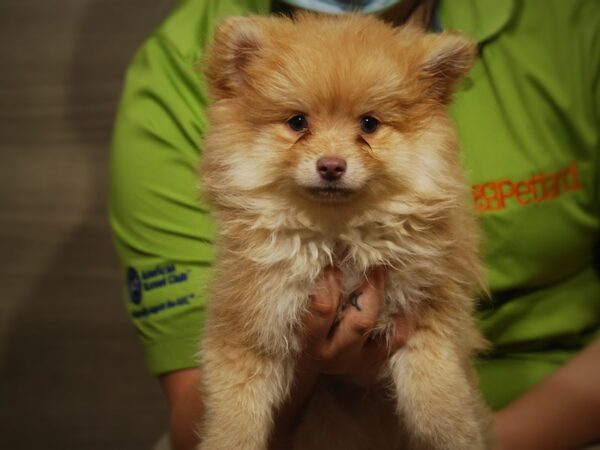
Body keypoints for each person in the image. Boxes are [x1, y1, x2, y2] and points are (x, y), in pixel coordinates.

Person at [109, 0, 600, 449]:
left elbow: (437, 341)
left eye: (368, 126)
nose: (331, 159)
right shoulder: (187, 54)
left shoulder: (567, 21)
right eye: (298, 123)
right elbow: (204, 407)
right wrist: (304, 360)